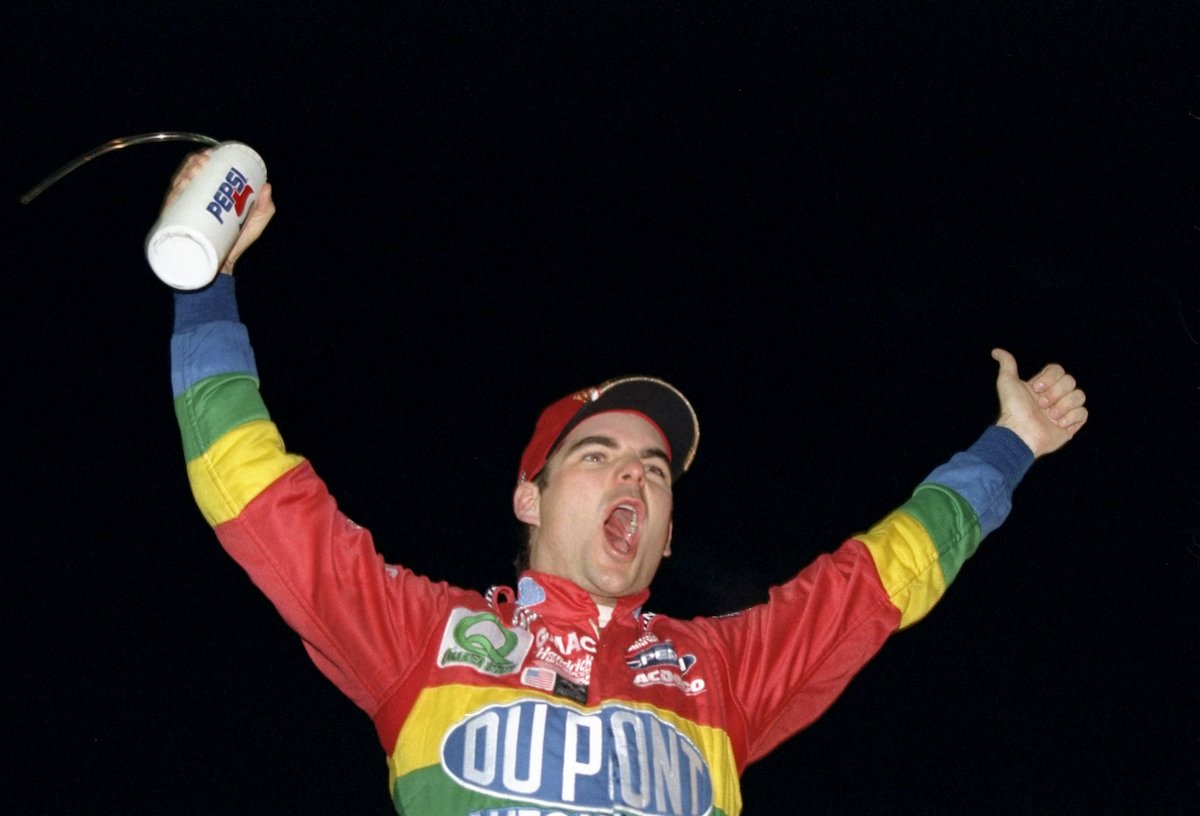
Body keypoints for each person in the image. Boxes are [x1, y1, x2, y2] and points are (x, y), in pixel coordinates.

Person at [165, 152, 1087, 815]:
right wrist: (205, 285)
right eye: (596, 454)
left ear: (669, 535)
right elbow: (255, 495)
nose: (635, 476)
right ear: (529, 498)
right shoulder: (423, 639)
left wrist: (1012, 444)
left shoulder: (720, 674)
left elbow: (884, 577)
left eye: (655, 469)